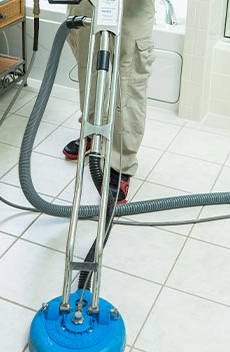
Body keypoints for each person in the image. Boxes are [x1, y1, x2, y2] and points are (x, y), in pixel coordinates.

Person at [63, 0, 156, 203]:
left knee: (129, 82)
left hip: (132, 9)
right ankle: (92, 132)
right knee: (89, 70)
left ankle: (121, 162)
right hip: (87, 4)